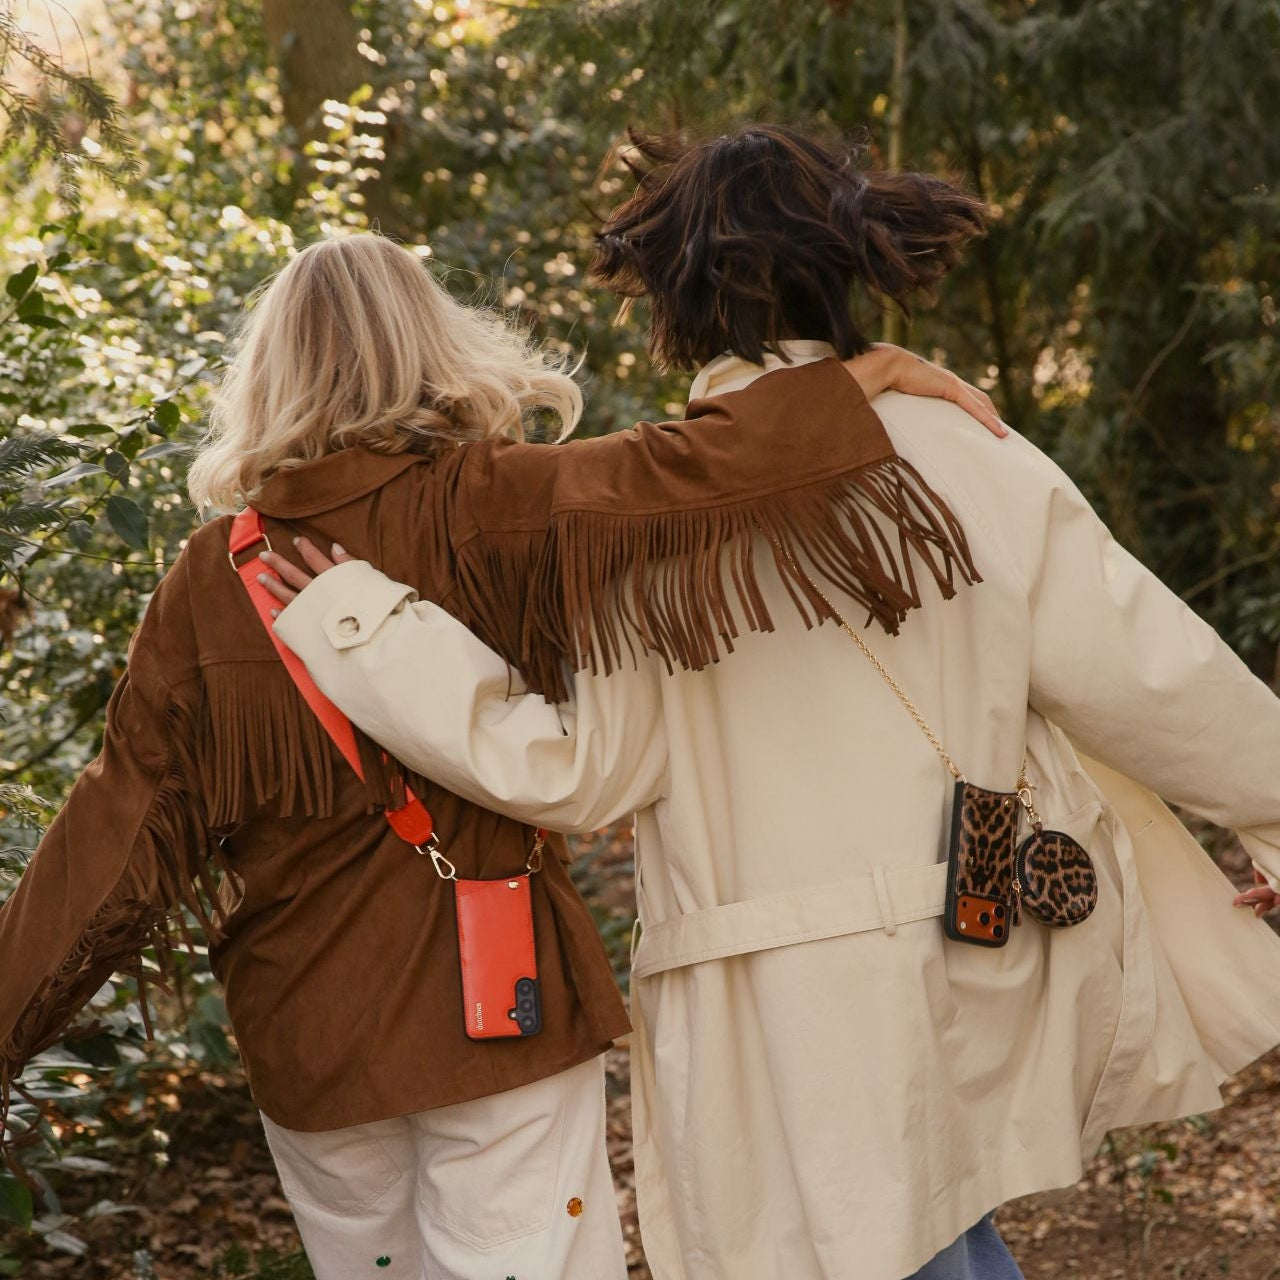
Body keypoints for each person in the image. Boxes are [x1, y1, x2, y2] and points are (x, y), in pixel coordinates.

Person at [260, 126, 1280, 1280]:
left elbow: (577, 774)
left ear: (673, 298)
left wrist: (367, 626)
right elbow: (1146, 672)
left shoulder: (639, 509)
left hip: (764, 1005)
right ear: (845, 263)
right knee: (945, 1232)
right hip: (970, 932)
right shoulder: (961, 444)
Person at [0, 231, 1001, 1279]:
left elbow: (108, 840)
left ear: (269, 377)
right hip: (497, 1021)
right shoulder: (490, 500)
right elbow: (690, 470)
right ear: (433, 345)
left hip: (310, 1047)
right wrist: (852, 383)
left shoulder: (210, 581)